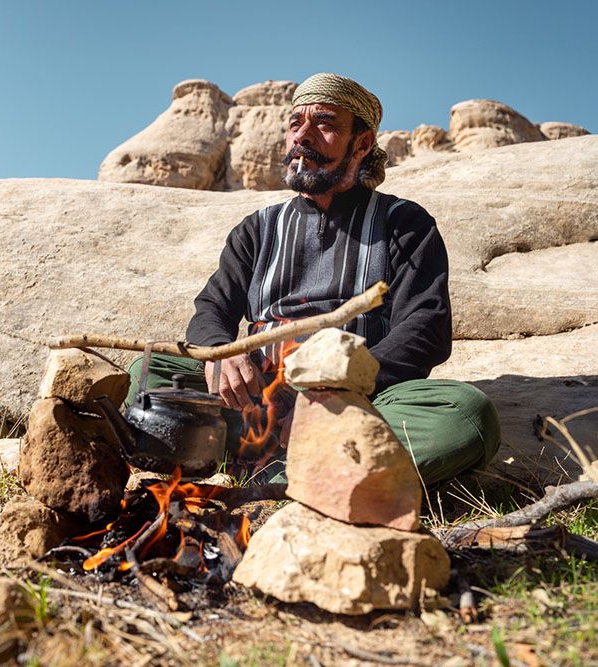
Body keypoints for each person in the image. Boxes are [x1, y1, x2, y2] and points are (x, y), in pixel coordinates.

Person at [126, 72, 501, 487]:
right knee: (147, 371)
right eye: (294, 124)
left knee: (465, 413)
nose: (302, 136)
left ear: (362, 143)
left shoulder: (404, 224)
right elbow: (212, 308)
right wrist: (218, 353)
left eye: (324, 124)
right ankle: (301, 473)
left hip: (354, 406)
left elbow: (424, 329)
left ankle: (293, 480)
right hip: (256, 402)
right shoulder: (257, 229)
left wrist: (337, 391)